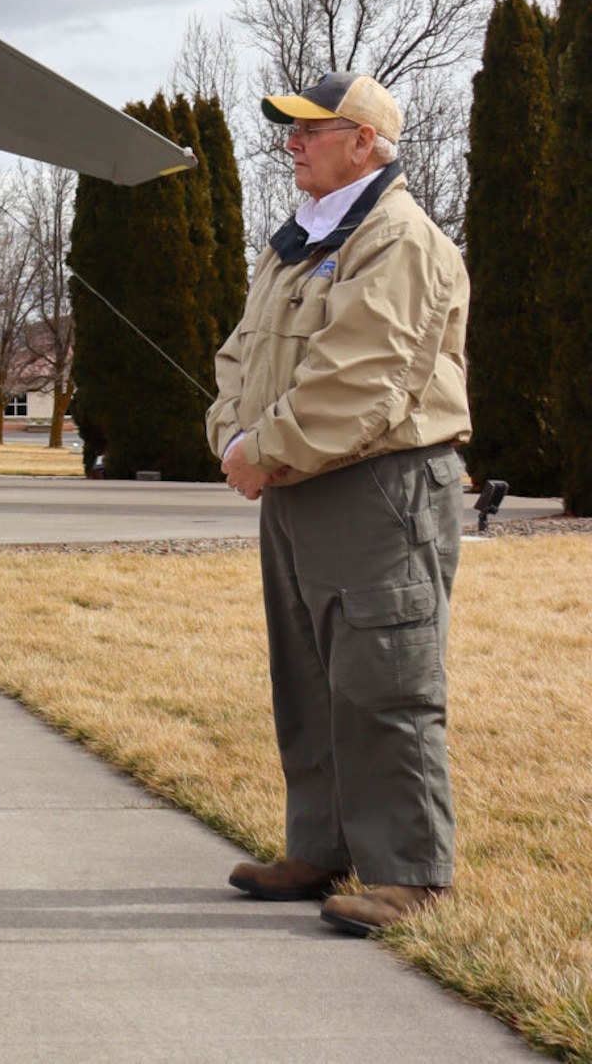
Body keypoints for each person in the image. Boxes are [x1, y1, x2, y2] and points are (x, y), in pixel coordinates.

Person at [207, 72, 470, 937]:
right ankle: (319, 846)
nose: (293, 142)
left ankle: (410, 873)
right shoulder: (296, 241)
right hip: (295, 484)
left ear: (366, 141)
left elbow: (364, 378)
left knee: (384, 678)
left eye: (311, 130)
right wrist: (231, 438)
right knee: (310, 679)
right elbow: (240, 353)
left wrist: (262, 450)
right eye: (291, 129)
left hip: (378, 488)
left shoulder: (399, 238)